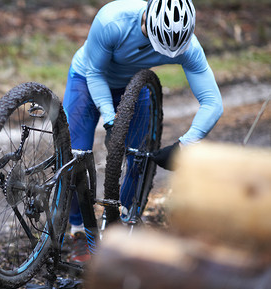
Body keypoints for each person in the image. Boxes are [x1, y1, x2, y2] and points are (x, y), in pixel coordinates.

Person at [63, 0, 223, 262]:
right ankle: (79, 230)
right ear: (147, 19)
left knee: (138, 157)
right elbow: (94, 71)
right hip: (87, 77)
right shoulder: (112, 21)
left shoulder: (188, 46)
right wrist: (110, 119)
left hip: (133, 88)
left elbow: (213, 102)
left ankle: (119, 223)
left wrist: (186, 145)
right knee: (75, 156)